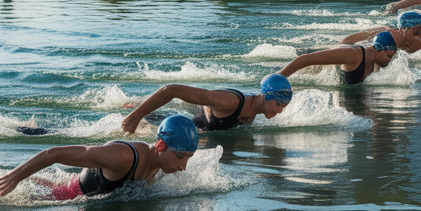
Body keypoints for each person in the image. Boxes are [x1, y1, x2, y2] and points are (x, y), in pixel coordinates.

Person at [0, 115, 199, 200]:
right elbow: (53, 154)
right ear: (161, 146)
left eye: (188, 158)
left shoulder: (161, 164)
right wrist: (15, 177)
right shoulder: (123, 157)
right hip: (66, 197)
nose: (183, 167)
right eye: (180, 157)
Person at [118, 74, 293, 135]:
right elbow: (171, 90)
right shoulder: (230, 101)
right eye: (279, 105)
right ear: (267, 97)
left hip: (200, 123)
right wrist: (134, 118)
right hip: (196, 117)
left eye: (283, 107)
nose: (280, 111)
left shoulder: (254, 109)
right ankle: (133, 109)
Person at [279, 30, 399, 85]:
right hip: (309, 72)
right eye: (389, 56)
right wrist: (278, 78)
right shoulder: (353, 55)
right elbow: (304, 60)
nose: (390, 61)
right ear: (377, 49)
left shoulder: (376, 62)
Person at [337, 10, 421, 53]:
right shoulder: (386, 34)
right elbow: (346, 41)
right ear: (408, 29)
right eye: (419, 31)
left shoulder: (413, 41)